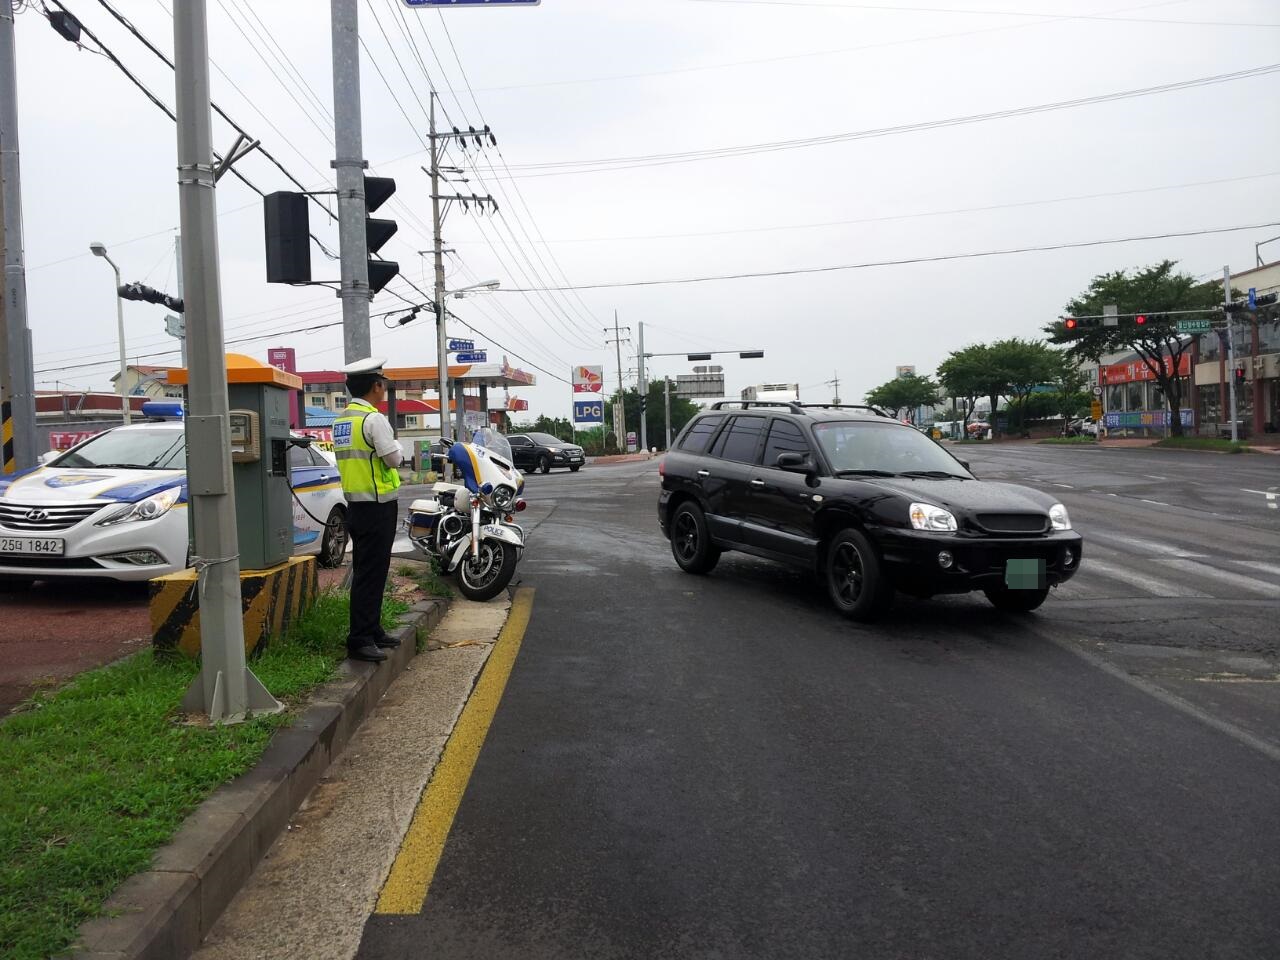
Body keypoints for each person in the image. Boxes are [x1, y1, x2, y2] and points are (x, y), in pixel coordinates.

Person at [333, 357, 404, 663]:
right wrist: (397, 448)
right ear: (376, 386)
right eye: (383, 383)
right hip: (377, 506)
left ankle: (372, 629)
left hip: (356, 505)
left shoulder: (343, 421)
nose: (384, 388)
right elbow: (394, 460)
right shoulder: (373, 420)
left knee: (369, 570)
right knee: (371, 574)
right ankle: (360, 638)